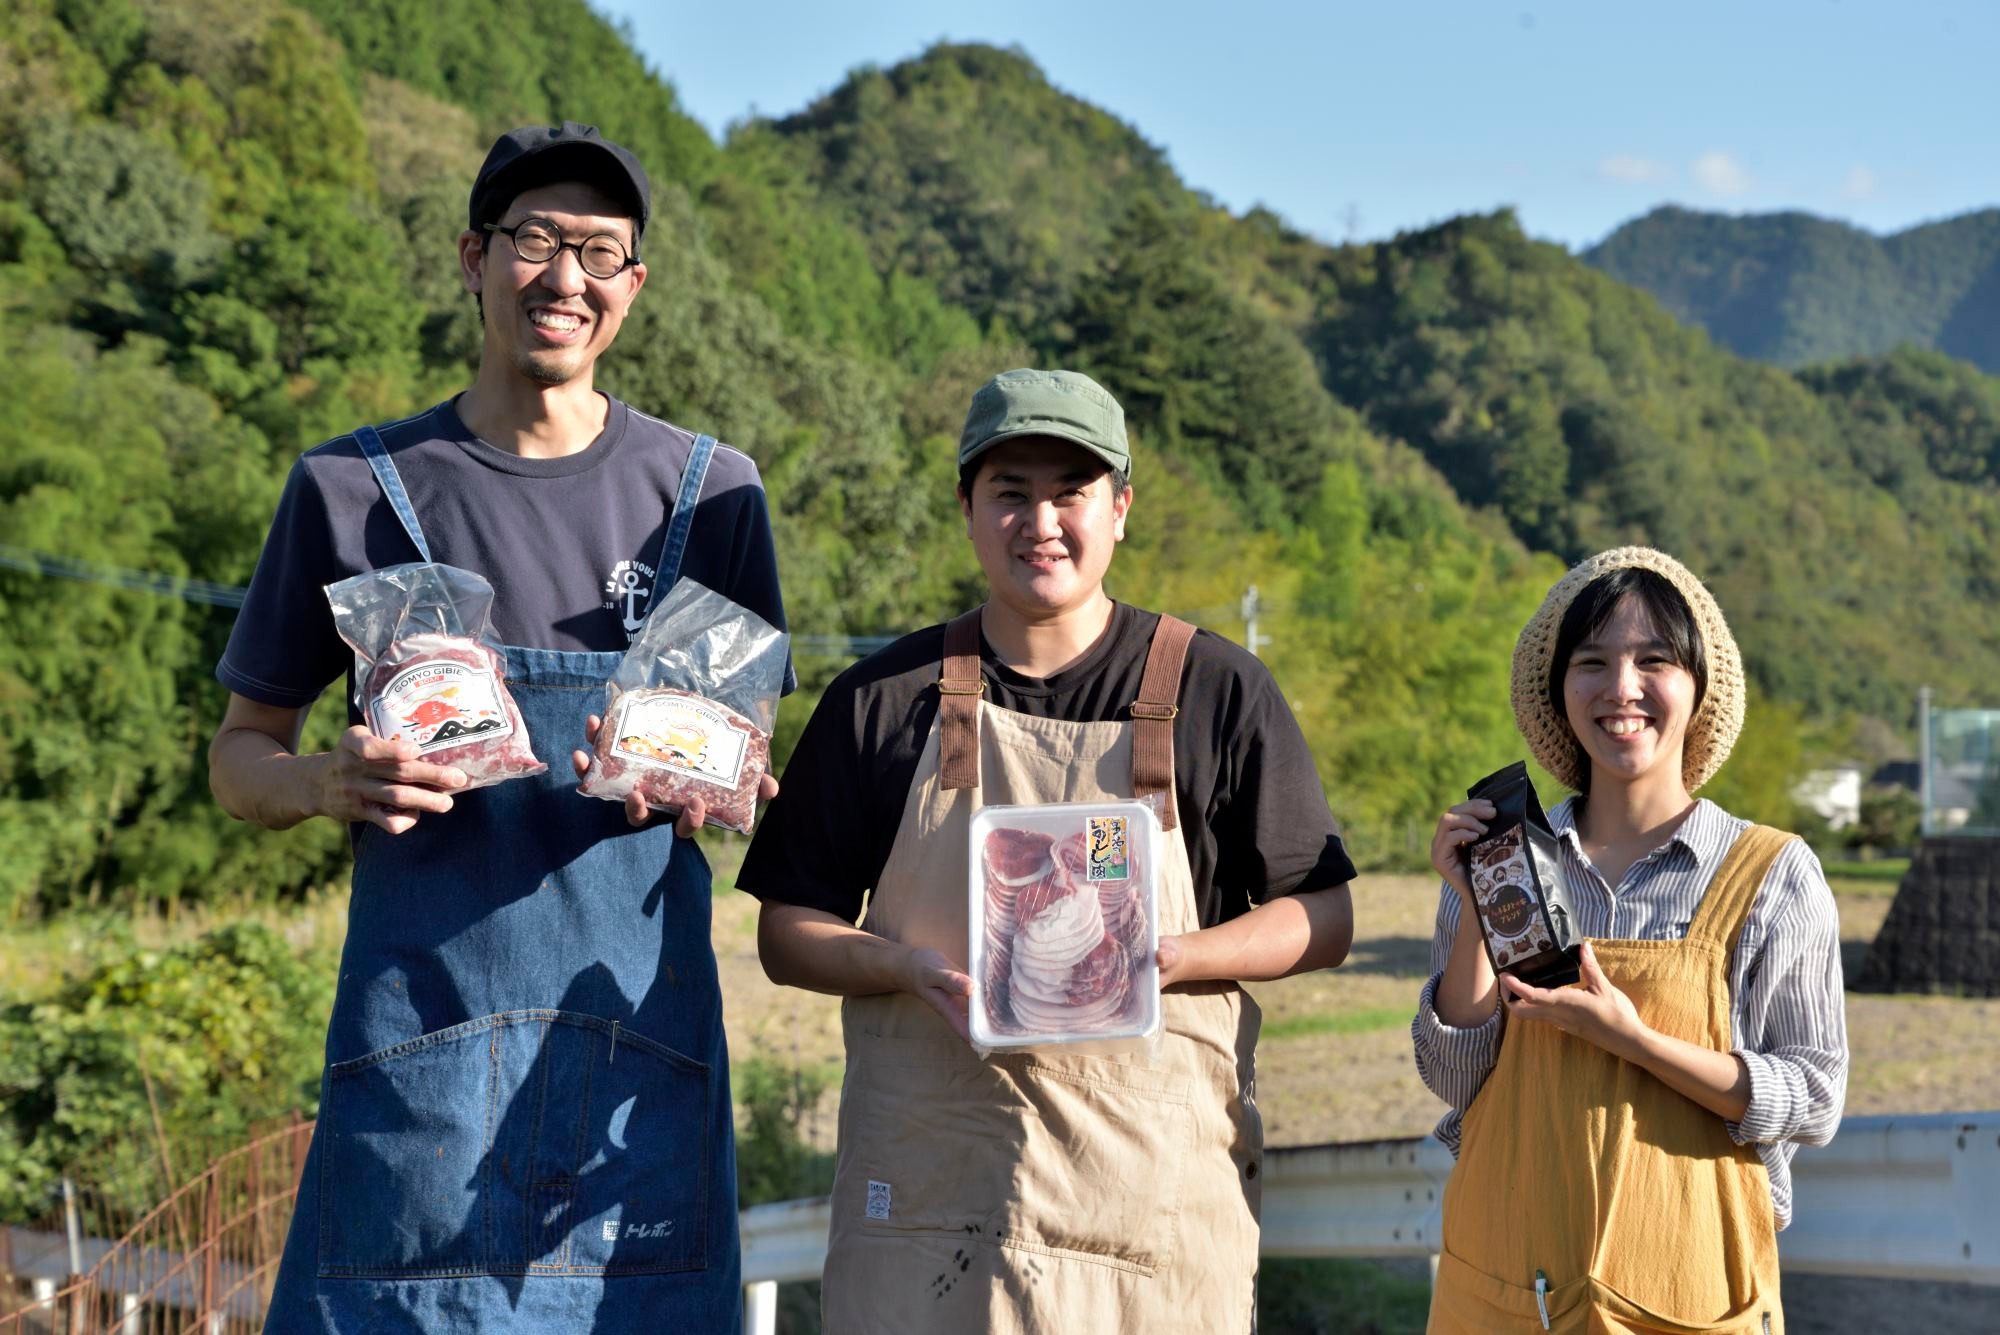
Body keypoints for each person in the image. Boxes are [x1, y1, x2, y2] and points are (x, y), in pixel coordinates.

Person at [207, 122, 787, 1331]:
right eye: (534, 240)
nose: (564, 277)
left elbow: (741, 751)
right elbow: (238, 757)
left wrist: (716, 785)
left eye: (599, 251)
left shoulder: (713, 498)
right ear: (474, 258)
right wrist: (323, 781)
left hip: (637, 1083)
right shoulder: (350, 489)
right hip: (418, 1067)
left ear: (633, 284)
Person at [736, 368, 1357, 1332]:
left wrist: (1174, 955)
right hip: (929, 1223)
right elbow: (787, 932)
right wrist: (902, 967)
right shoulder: (881, 698)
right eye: (1010, 493)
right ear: (966, 508)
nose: (1041, 522)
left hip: (1149, 1233)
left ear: (1121, 508)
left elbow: (1323, 915)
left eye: (1071, 492)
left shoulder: (1218, 690)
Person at [1414, 547, 1847, 1333]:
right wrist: (1478, 903)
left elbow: (1814, 1095)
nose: (1621, 688)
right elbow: (1453, 1075)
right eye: (1592, 662)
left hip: (1690, 1294)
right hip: (1507, 1292)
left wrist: (1634, 1041)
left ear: (1698, 685)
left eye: (1654, 660)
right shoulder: (1502, 856)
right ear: (1558, 691)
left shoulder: (1772, 874)